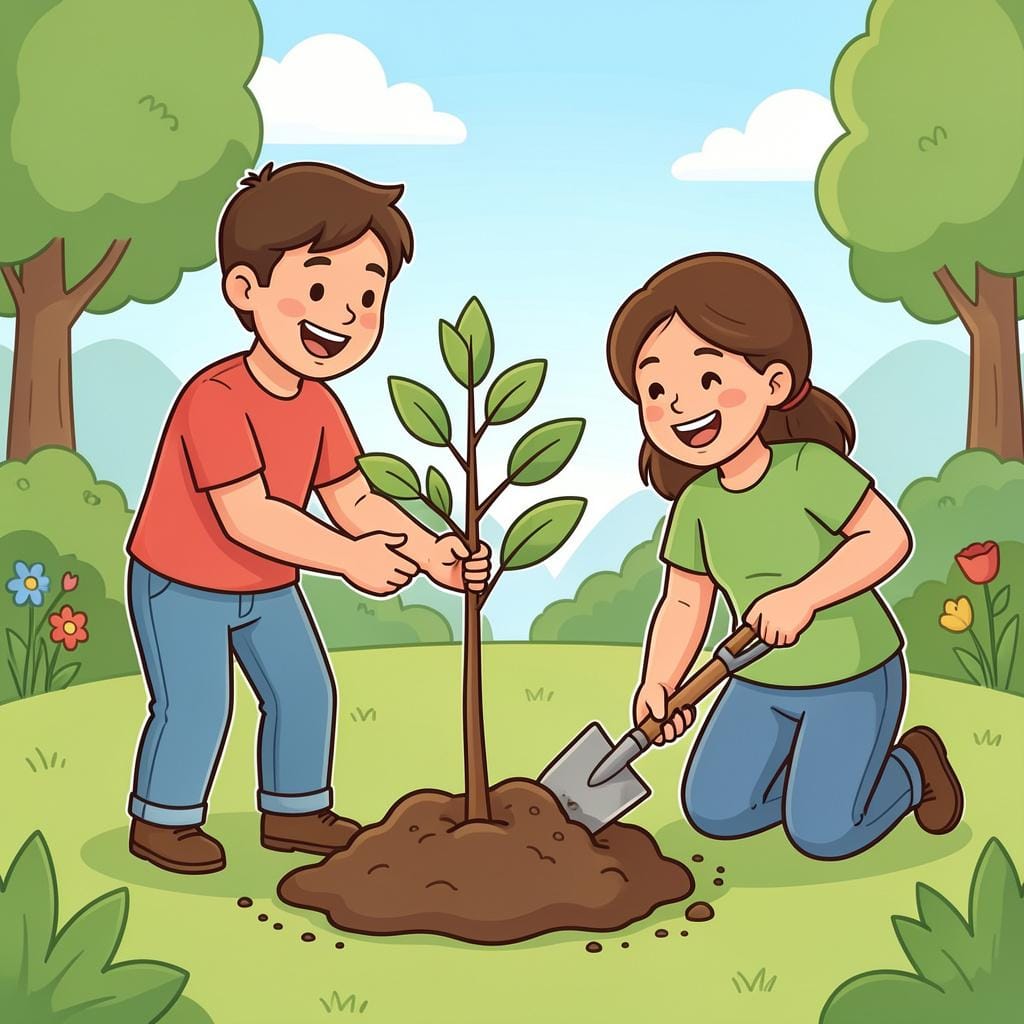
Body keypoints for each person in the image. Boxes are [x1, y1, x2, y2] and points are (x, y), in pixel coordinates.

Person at [125, 162, 490, 874]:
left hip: (268, 585)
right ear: (245, 290)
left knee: (304, 690)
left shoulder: (320, 406)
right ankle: (163, 819)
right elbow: (248, 515)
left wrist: (428, 551)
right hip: (181, 583)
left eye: (368, 295)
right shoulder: (215, 399)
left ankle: (294, 810)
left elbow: (354, 500)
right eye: (320, 289)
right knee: (197, 704)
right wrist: (349, 559)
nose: (346, 314)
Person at [606, 252, 963, 861]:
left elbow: (888, 539)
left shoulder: (809, 469)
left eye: (707, 379)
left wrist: (803, 597)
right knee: (715, 812)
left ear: (773, 383)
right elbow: (685, 600)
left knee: (825, 835)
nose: (680, 405)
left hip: (851, 676)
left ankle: (909, 769)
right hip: (757, 680)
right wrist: (660, 681)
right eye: (657, 390)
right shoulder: (697, 503)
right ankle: (820, 780)